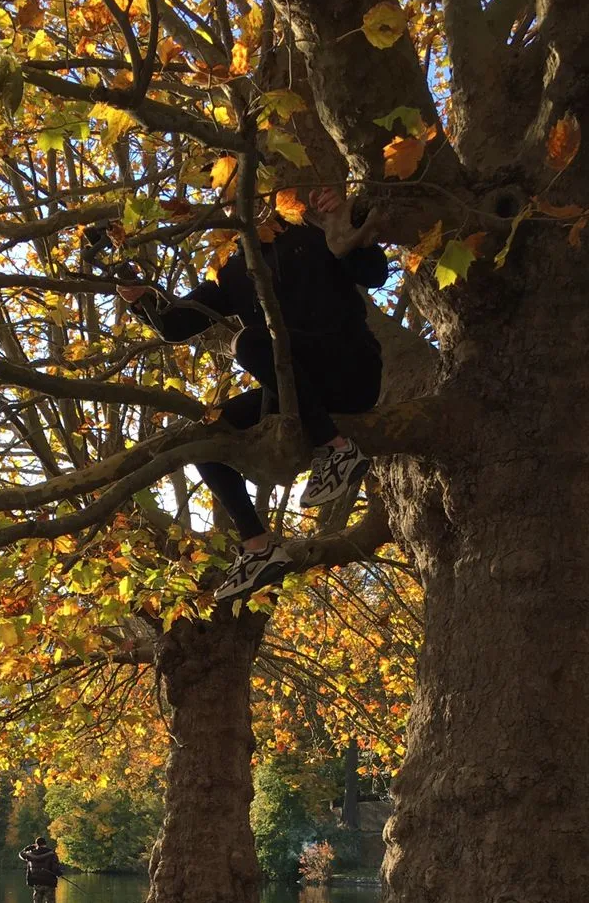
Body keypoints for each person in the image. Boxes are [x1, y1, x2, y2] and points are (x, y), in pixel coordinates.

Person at [119, 186, 388, 602]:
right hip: (301, 392)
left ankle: (336, 449)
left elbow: (375, 274)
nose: (237, 208)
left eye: (243, 195)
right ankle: (259, 547)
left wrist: (347, 224)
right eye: (228, 202)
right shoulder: (230, 267)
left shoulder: (308, 224)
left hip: (350, 367)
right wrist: (144, 299)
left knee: (249, 343)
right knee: (205, 436)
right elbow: (175, 324)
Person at [19, 834, 62, 903]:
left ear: (37, 844)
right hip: (49, 884)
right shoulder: (52, 854)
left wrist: (29, 847)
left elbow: (21, 854)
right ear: (45, 844)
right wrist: (59, 873)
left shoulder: (31, 854)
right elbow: (55, 869)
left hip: (37, 884)